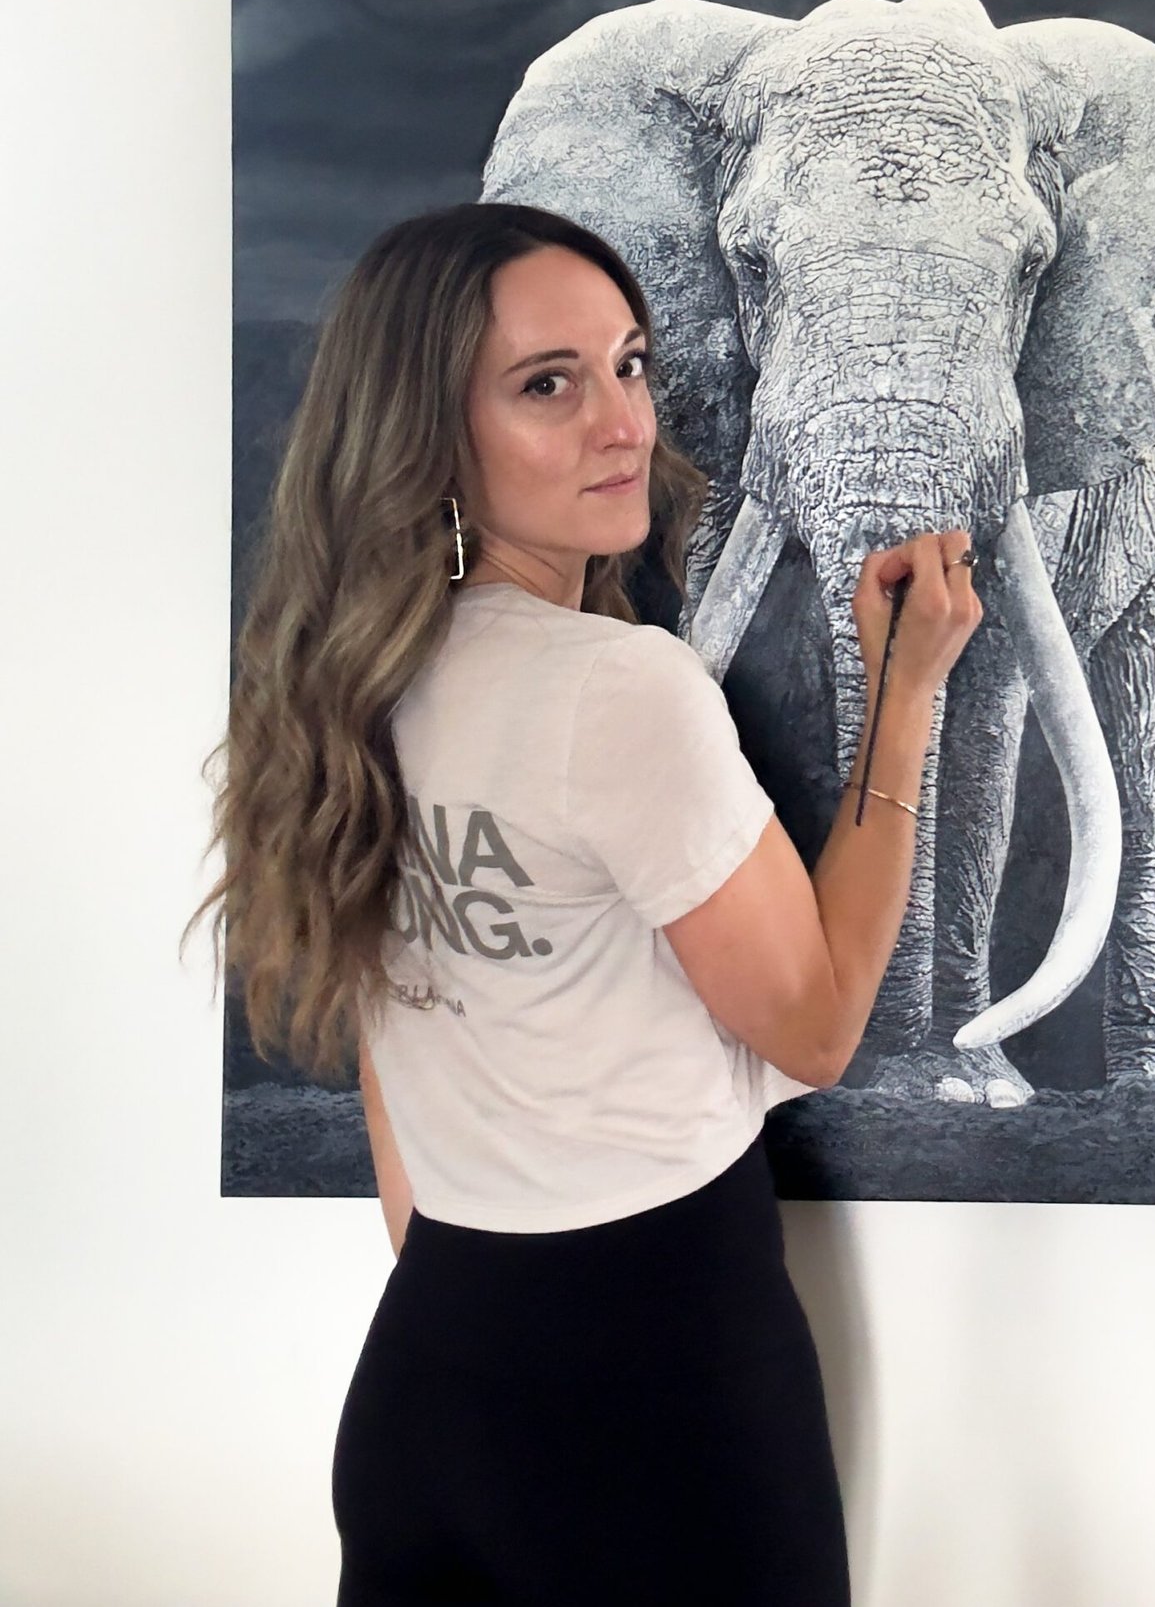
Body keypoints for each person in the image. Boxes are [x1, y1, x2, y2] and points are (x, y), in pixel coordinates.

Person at [181, 200, 980, 1605]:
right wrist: (905, 692)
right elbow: (815, 1028)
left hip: (431, 1376)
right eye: (548, 385)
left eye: (629, 364)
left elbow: (390, 1075)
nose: (623, 423)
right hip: (665, 1388)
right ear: (432, 433)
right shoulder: (623, 689)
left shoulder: (342, 681)